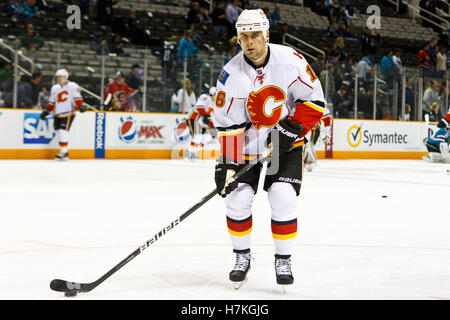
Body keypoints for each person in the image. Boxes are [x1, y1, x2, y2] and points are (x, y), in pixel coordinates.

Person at [213, 9, 326, 289]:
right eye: (243, 37)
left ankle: (283, 259)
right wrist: (227, 163)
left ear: (266, 34)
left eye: (254, 36)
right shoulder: (230, 75)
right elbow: (229, 125)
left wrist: (288, 131)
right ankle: (242, 257)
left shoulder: (291, 60)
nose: (249, 43)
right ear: (238, 39)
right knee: (236, 200)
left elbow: (315, 101)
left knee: (283, 196)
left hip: (284, 146)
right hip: (248, 148)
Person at [40, 69, 87, 160]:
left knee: (63, 131)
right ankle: (63, 152)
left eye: (61, 77)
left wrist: (81, 106)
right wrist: (46, 110)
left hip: (68, 113)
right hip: (57, 113)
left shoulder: (72, 86)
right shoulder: (55, 88)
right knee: (58, 132)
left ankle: (64, 152)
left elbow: (78, 99)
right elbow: (52, 102)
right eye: (58, 77)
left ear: (66, 77)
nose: (59, 78)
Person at [185, 86, 217, 159]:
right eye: (216, 94)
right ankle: (189, 152)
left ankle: (195, 151)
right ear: (213, 93)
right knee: (198, 136)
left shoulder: (214, 104)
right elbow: (199, 107)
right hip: (193, 119)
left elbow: (209, 118)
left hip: (201, 123)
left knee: (207, 137)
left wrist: (213, 129)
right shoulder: (205, 97)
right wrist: (205, 115)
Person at [303, 106, 332, 171]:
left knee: (308, 145)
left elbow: (326, 117)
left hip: (314, 129)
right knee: (307, 145)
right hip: (305, 127)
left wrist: (326, 132)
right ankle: (309, 162)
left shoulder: (321, 101)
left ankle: (310, 162)